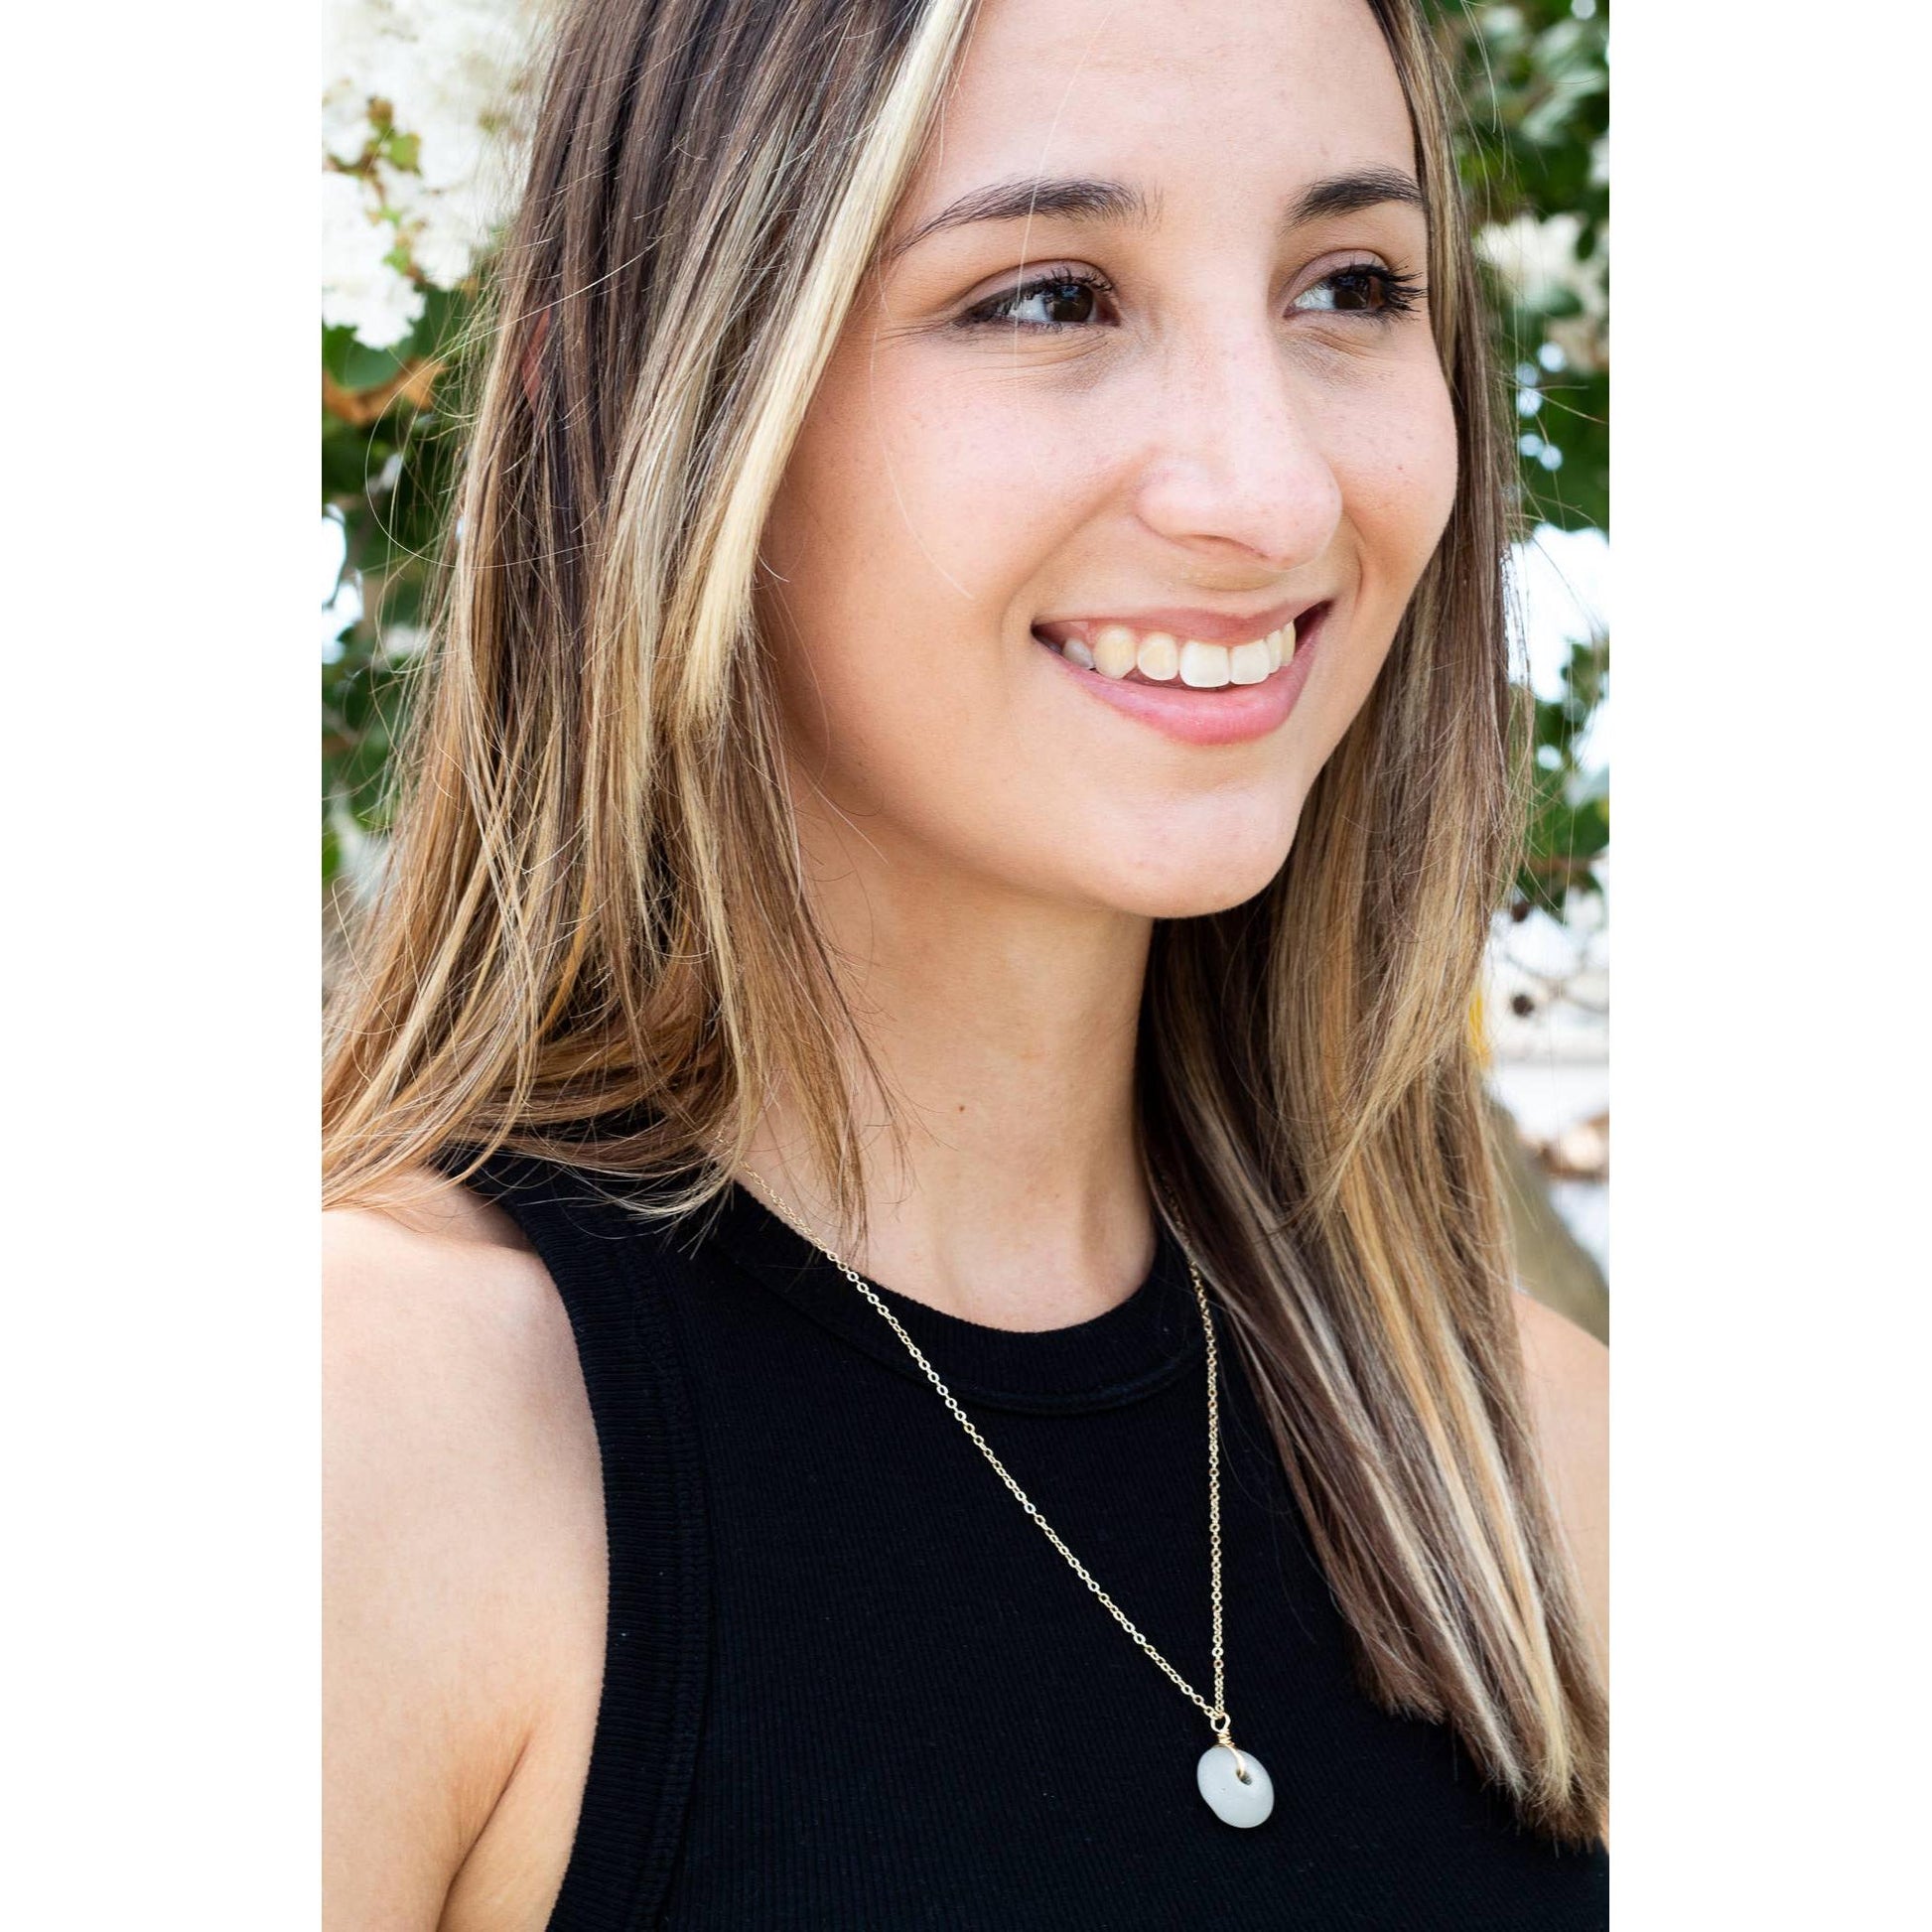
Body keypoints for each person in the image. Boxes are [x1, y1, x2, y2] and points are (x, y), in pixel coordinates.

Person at [323, 0, 1610, 1924]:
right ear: (672, 387)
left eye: (1349, 285)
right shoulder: (369, 1440)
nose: (1269, 491)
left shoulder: (1556, 1479)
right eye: (1048, 299)